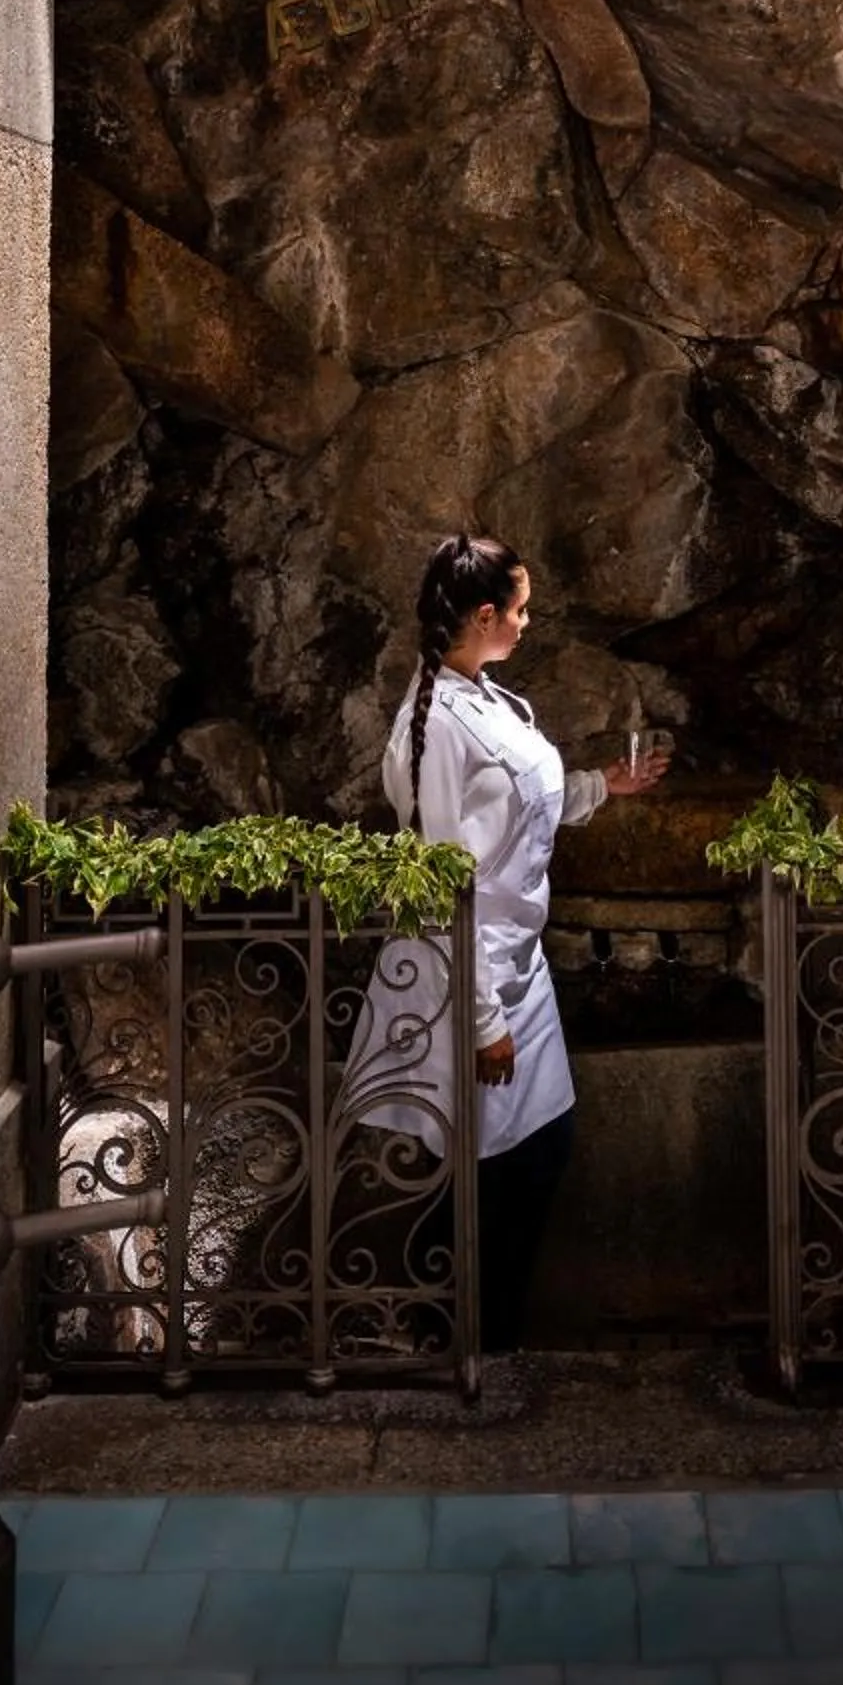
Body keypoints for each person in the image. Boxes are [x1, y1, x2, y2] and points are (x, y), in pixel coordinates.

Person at [355, 531, 671, 1355]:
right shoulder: (431, 726)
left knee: (532, 1149)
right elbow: (440, 882)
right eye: (521, 610)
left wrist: (604, 785)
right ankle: (464, 1336)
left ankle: (474, 1331)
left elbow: (523, 799)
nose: (529, 624)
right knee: (490, 1162)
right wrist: (484, 1018)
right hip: (467, 973)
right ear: (485, 615)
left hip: (518, 968)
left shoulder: (488, 695)